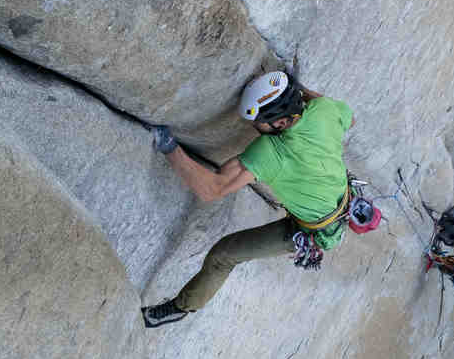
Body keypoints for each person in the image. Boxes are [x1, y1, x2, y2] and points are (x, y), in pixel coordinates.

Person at [141, 71, 354, 328]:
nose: (256, 128)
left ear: (280, 124)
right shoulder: (324, 109)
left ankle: (179, 307)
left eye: (260, 122)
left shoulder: (272, 153)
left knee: (223, 255)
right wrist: (297, 88)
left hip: (315, 232)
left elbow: (212, 189)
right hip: (341, 203)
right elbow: (350, 120)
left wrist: (168, 146)